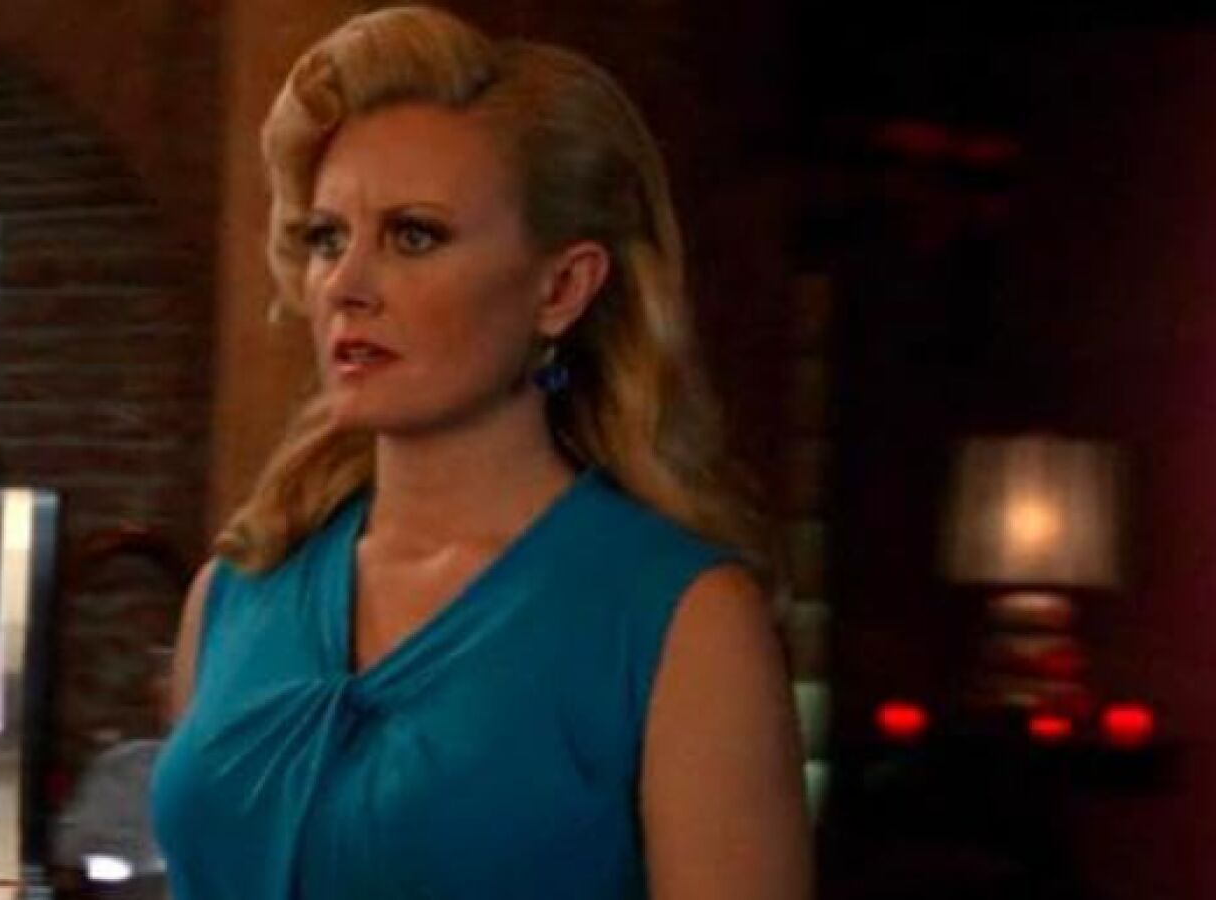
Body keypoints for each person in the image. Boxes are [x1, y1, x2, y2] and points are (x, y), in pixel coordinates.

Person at [149, 6, 811, 898]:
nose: (346, 285)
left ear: (561, 287)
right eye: (326, 238)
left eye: (413, 235)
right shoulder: (237, 592)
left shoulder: (680, 621)